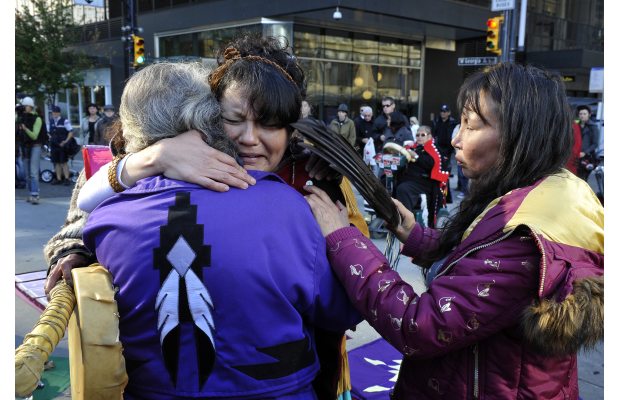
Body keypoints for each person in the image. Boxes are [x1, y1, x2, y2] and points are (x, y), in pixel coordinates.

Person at [44, 34, 366, 399]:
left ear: (292, 127)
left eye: (271, 122)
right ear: (209, 116)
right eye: (234, 118)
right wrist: (149, 159)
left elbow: (346, 292)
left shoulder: (316, 174)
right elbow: (83, 219)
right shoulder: (144, 164)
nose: (249, 138)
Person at [303, 62, 603, 399]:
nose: (456, 139)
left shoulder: (526, 240)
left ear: (521, 138)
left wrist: (343, 239)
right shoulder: (536, 193)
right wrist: (414, 233)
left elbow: (419, 325)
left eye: (471, 126)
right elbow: (474, 256)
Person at [394, 125, 448, 227]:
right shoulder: (415, 147)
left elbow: (431, 163)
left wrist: (416, 156)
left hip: (425, 181)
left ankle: (407, 220)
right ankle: (394, 215)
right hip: (411, 178)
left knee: (403, 189)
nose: (419, 137)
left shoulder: (434, 149)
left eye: (422, 135)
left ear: (429, 136)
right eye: (417, 135)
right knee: (389, 183)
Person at [16, 96, 46, 204]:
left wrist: (25, 129)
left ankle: (35, 195)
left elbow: (34, 136)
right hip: (24, 147)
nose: (24, 108)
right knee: (27, 173)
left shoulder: (37, 119)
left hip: (35, 146)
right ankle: (30, 194)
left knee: (33, 172)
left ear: (31, 107)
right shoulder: (21, 118)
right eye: (23, 107)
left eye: (26, 106)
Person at [432, 103, 458, 203]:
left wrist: (448, 152)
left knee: (444, 175)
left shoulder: (453, 123)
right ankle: (439, 196)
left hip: (447, 152)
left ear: (449, 113)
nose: (443, 113)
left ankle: (446, 198)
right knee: (437, 173)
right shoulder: (436, 122)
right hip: (437, 151)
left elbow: (453, 138)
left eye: (445, 111)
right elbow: (434, 136)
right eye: (442, 111)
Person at [48, 105, 75, 186]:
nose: (55, 114)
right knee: (56, 162)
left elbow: (71, 131)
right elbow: (49, 133)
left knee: (64, 162)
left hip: (63, 145)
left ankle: (67, 179)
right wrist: (51, 139)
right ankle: (58, 178)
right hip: (54, 145)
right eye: (53, 112)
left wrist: (65, 141)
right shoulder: (51, 121)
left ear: (59, 113)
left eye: (56, 112)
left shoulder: (65, 121)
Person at [576, 105, 600, 180]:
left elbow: (595, 144)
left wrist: (585, 152)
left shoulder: (593, 127)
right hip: (575, 156)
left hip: (587, 157)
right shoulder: (576, 125)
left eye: (584, 114)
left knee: (583, 178)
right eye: (580, 114)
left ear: (589, 115)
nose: (582, 116)